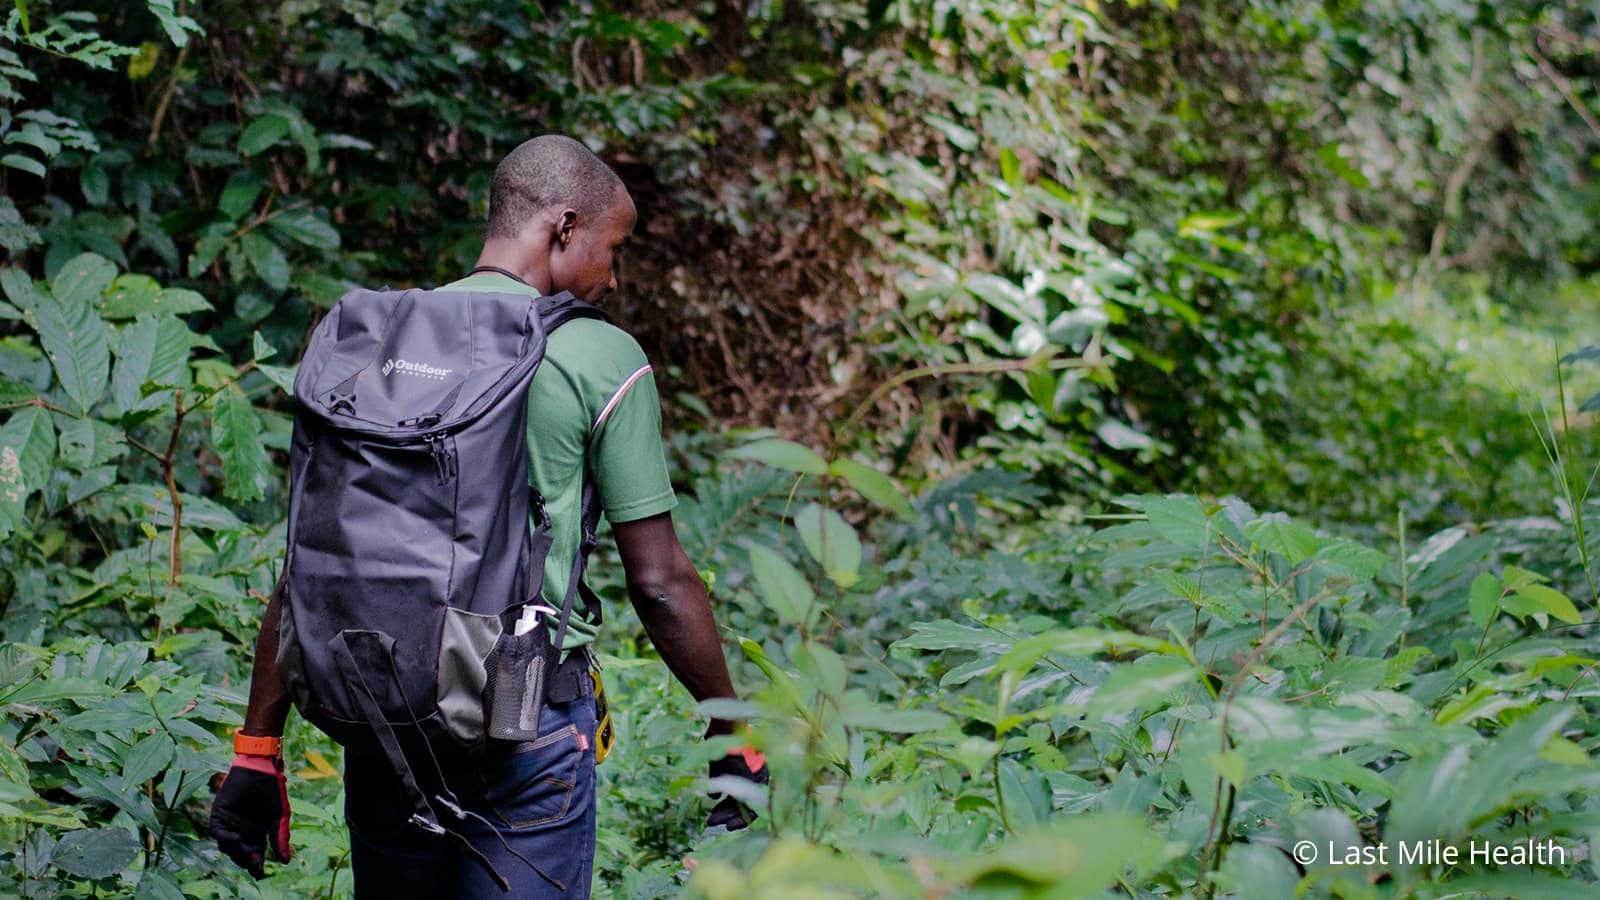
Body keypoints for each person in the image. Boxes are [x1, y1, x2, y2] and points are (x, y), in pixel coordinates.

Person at [210, 134, 766, 898]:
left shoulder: (378, 341)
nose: (614, 276)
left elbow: (312, 561)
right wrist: (729, 725)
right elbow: (660, 581)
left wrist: (257, 747)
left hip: (387, 720)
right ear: (564, 227)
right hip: (523, 724)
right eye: (615, 248)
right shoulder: (600, 355)